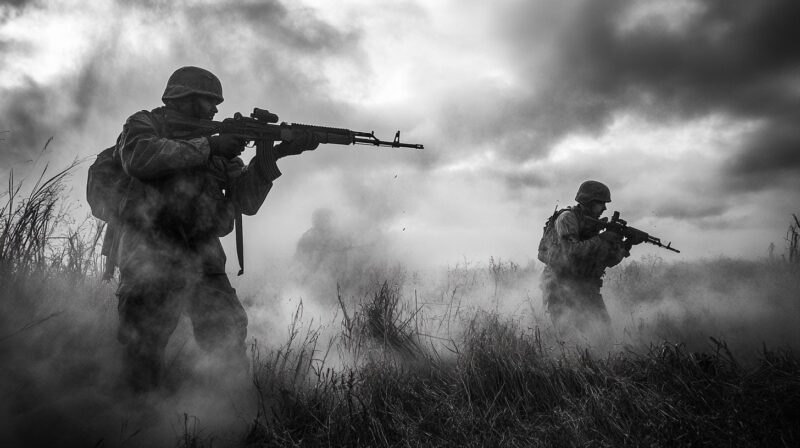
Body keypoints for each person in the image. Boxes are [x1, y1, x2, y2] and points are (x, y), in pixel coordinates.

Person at [112, 66, 318, 393]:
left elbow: (246, 201)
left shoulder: (222, 149)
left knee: (227, 337)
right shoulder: (145, 124)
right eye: (210, 102)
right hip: (149, 255)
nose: (215, 109)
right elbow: (139, 158)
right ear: (185, 98)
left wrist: (274, 155)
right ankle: (135, 424)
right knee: (143, 347)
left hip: (203, 259)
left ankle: (234, 416)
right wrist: (210, 146)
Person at [538, 180, 643, 331]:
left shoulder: (592, 226)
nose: (605, 208)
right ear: (588, 201)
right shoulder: (567, 218)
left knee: (603, 332)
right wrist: (602, 238)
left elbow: (607, 261)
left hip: (585, 287)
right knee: (568, 338)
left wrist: (626, 244)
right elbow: (571, 252)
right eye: (601, 203)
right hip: (560, 287)